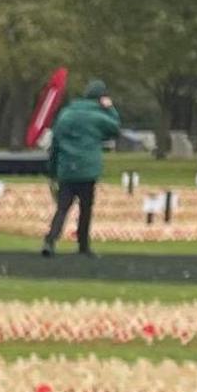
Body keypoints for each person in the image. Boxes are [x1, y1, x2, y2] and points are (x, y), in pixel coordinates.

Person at [43, 76, 121, 258]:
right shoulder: (99, 116)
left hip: (67, 169)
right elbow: (116, 129)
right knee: (86, 208)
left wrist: (52, 170)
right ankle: (83, 245)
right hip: (88, 170)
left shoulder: (66, 114)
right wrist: (110, 108)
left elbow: (55, 144)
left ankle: (50, 240)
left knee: (62, 208)